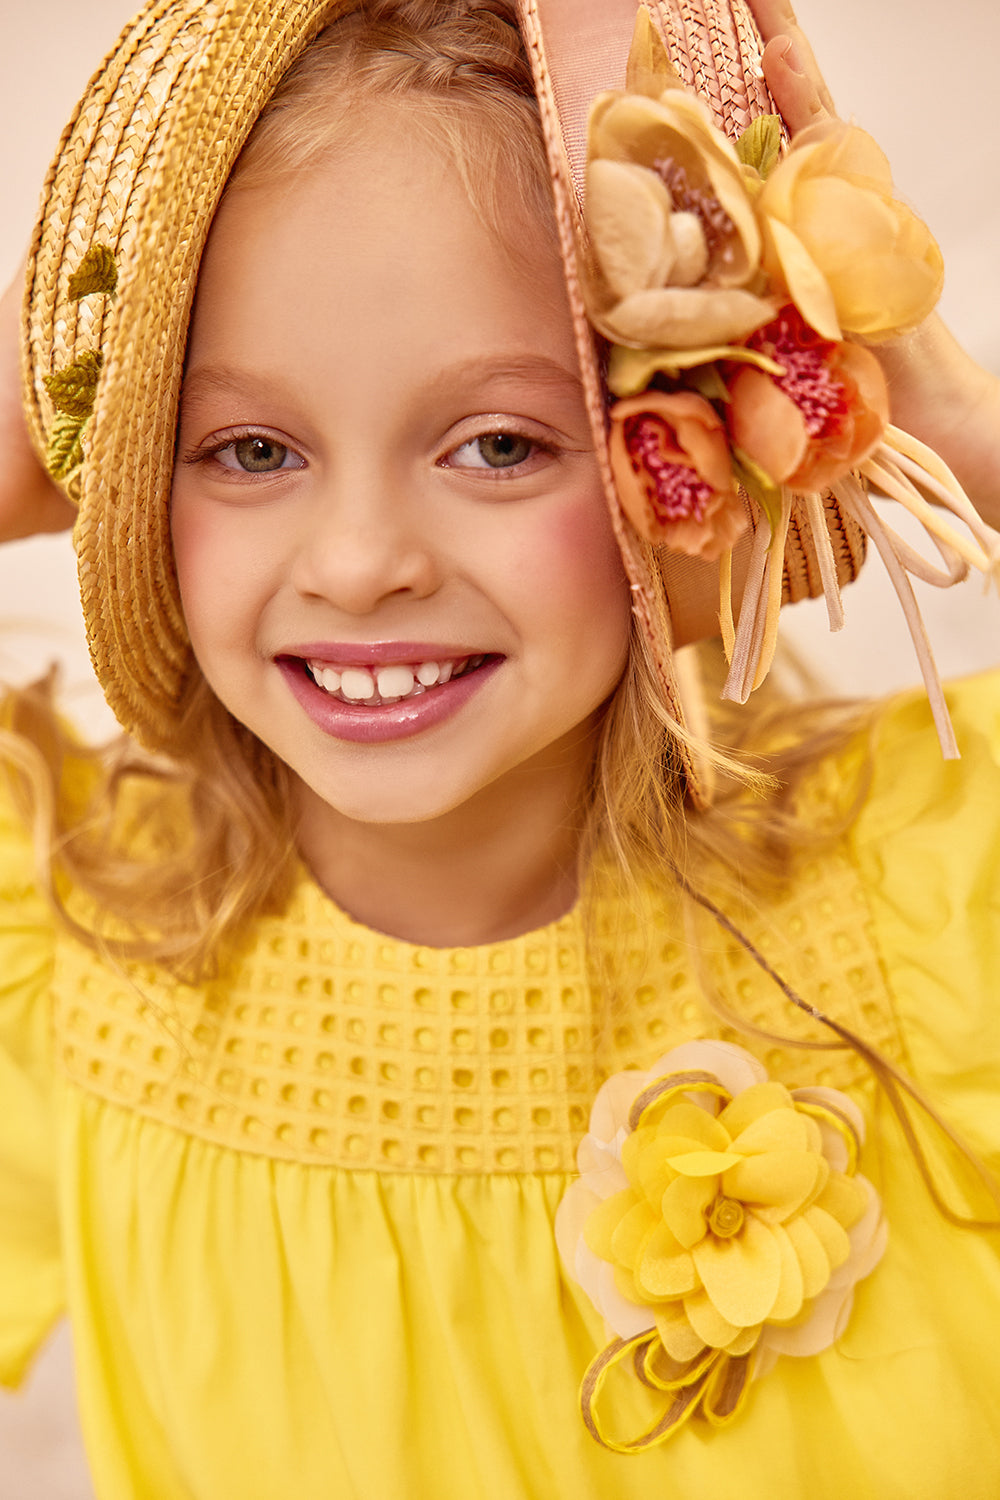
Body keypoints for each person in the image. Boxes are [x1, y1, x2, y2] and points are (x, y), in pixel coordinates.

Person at [1, 0, 998, 1495]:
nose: (357, 563)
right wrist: (82, 377)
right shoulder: (79, 941)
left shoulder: (930, 899)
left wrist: (949, 420)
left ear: (687, 469)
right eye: (249, 449)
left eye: (499, 444)